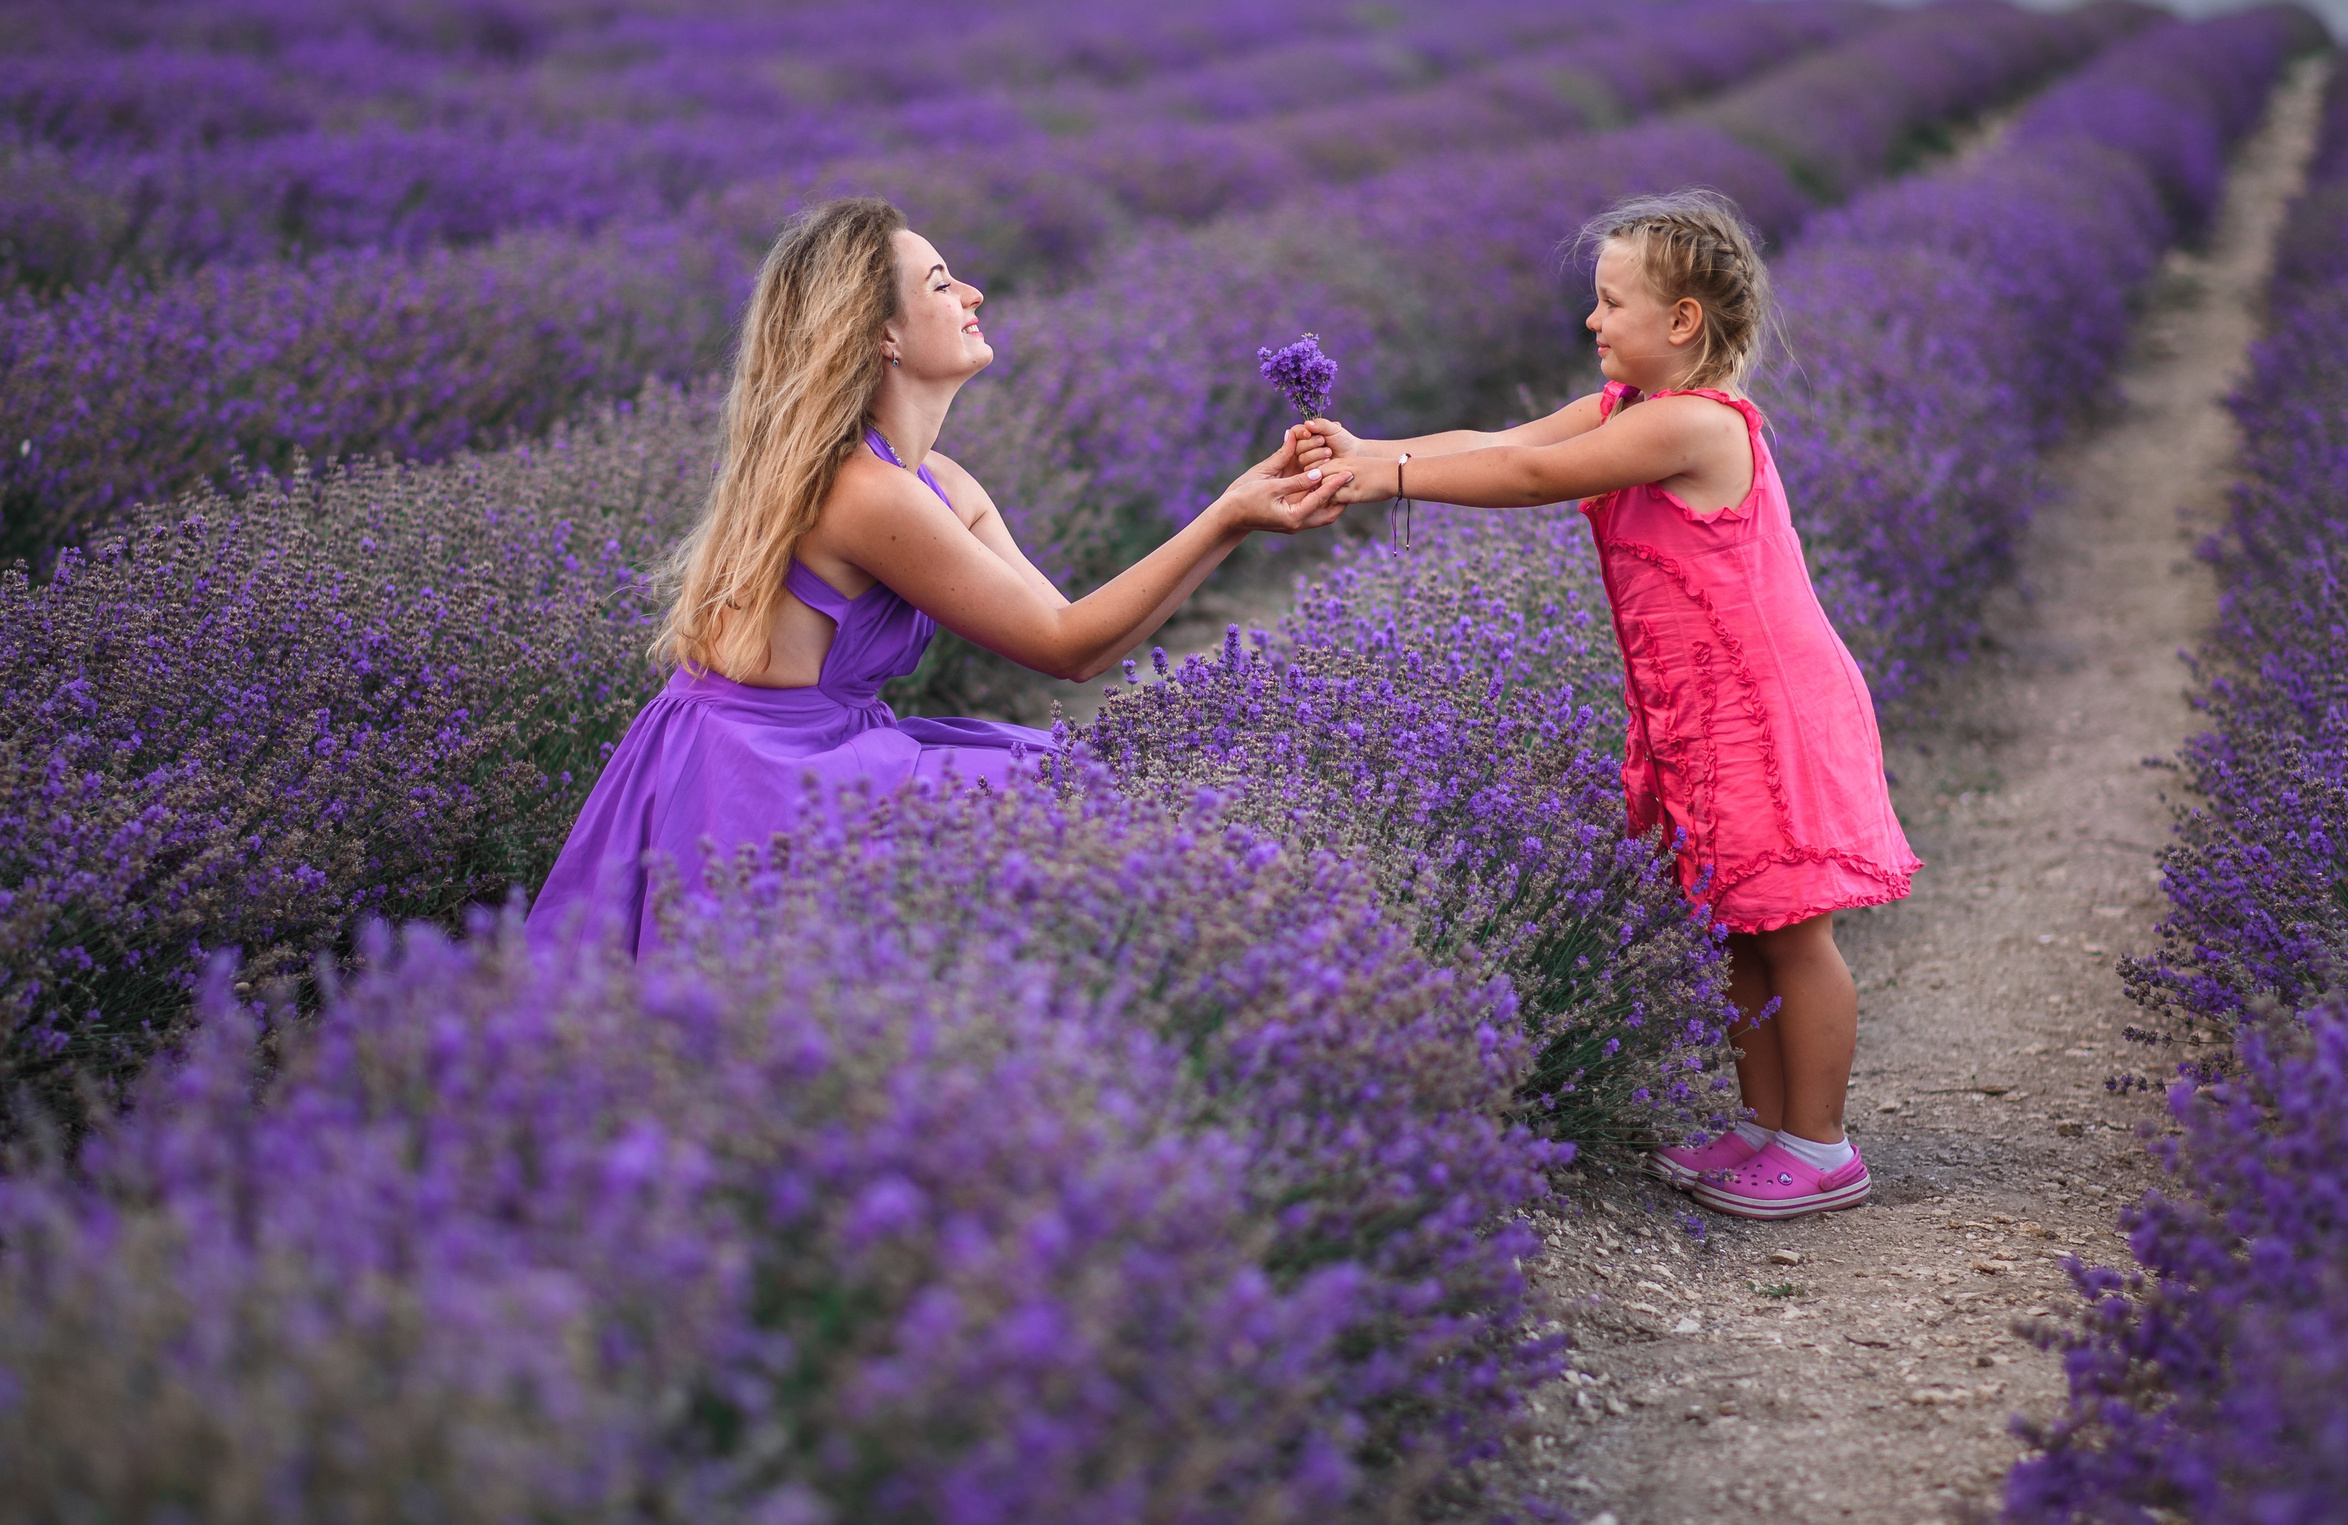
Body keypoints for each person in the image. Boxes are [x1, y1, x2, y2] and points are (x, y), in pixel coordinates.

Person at [1292, 189, 1918, 1219]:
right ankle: (1762, 1127)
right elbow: (1495, 435)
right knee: (1734, 924)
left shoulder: (1693, 426)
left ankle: (1820, 1143)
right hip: (1700, 710)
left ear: (1681, 322)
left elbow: (1533, 473)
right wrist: (1369, 451)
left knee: (1794, 929)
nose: (1592, 321)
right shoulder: (1629, 410)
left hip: (1767, 714)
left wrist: (1389, 480)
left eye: (1610, 301)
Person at [532, 196, 1349, 954]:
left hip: (831, 754)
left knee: (1085, 797)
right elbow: (1068, 648)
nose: (975, 292)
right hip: (749, 779)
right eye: (940, 281)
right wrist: (1229, 515)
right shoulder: (862, 492)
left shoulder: (941, 485)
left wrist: (1238, 515)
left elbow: (1079, 630)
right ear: (880, 332)